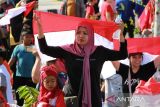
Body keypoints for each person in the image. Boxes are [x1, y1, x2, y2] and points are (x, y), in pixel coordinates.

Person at [34, 13, 128, 107]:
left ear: (91, 34)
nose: (81, 36)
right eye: (78, 33)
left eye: (85, 33)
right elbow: (44, 49)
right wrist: (40, 27)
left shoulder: (99, 51)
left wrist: (120, 34)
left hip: (93, 98)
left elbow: (122, 55)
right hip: (72, 98)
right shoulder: (68, 50)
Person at [8, 23, 36, 106]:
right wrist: (5, 70)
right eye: (27, 36)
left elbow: (37, 61)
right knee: (19, 98)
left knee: (31, 98)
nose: (29, 38)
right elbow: (12, 61)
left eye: (30, 36)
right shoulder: (18, 48)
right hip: (19, 77)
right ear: (22, 37)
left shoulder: (34, 48)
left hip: (31, 77)